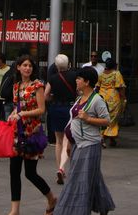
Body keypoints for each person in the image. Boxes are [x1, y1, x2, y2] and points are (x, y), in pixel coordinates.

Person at [53, 66, 116, 215]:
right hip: (77, 144)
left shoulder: (97, 100)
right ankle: (104, 206)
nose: (76, 80)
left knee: (79, 180)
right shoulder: (79, 98)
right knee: (92, 178)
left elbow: (107, 120)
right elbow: (73, 121)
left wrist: (88, 118)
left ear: (87, 82)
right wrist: (69, 143)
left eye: (79, 78)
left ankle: (73, 211)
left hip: (89, 145)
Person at [7, 54, 57, 215]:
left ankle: (51, 197)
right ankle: (15, 210)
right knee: (14, 171)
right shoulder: (16, 86)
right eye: (25, 65)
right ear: (18, 67)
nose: (28, 68)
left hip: (32, 133)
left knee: (30, 173)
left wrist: (22, 114)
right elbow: (18, 106)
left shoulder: (38, 86)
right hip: (17, 132)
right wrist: (14, 113)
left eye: (30, 66)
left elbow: (41, 110)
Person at [46, 53, 78, 182]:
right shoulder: (74, 76)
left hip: (56, 108)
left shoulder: (53, 78)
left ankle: (60, 168)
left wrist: (52, 98)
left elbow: (46, 95)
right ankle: (66, 168)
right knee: (69, 139)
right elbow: (79, 91)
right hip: (69, 109)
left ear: (57, 66)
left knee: (58, 141)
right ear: (68, 64)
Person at [97, 58, 125, 147]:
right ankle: (103, 138)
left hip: (102, 99)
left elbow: (97, 87)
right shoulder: (117, 74)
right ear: (114, 65)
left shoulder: (101, 74)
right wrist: (124, 98)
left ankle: (112, 140)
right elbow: (120, 87)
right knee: (112, 120)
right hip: (113, 100)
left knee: (103, 118)